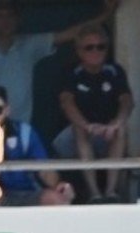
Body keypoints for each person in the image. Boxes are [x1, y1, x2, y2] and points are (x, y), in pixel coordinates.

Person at [0, 0, 118, 125]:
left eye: (11, 15)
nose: (6, 20)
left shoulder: (29, 45)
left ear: (18, 19)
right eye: (1, 15)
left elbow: (70, 34)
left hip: (21, 127)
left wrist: (105, 15)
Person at [54, 23, 133, 203]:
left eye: (101, 47)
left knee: (120, 129)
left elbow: (127, 101)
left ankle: (111, 192)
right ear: (79, 51)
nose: (95, 51)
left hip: (105, 134)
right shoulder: (71, 72)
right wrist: (86, 125)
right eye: (89, 47)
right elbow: (67, 103)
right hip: (73, 137)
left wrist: (116, 123)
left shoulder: (115, 70)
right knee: (78, 129)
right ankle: (94, 193)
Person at [0, 85, 74, 206]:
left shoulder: (25, 132)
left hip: (29, 191)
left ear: (7, 110)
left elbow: (43, 168)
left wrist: (60, 185)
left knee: (55, 198)